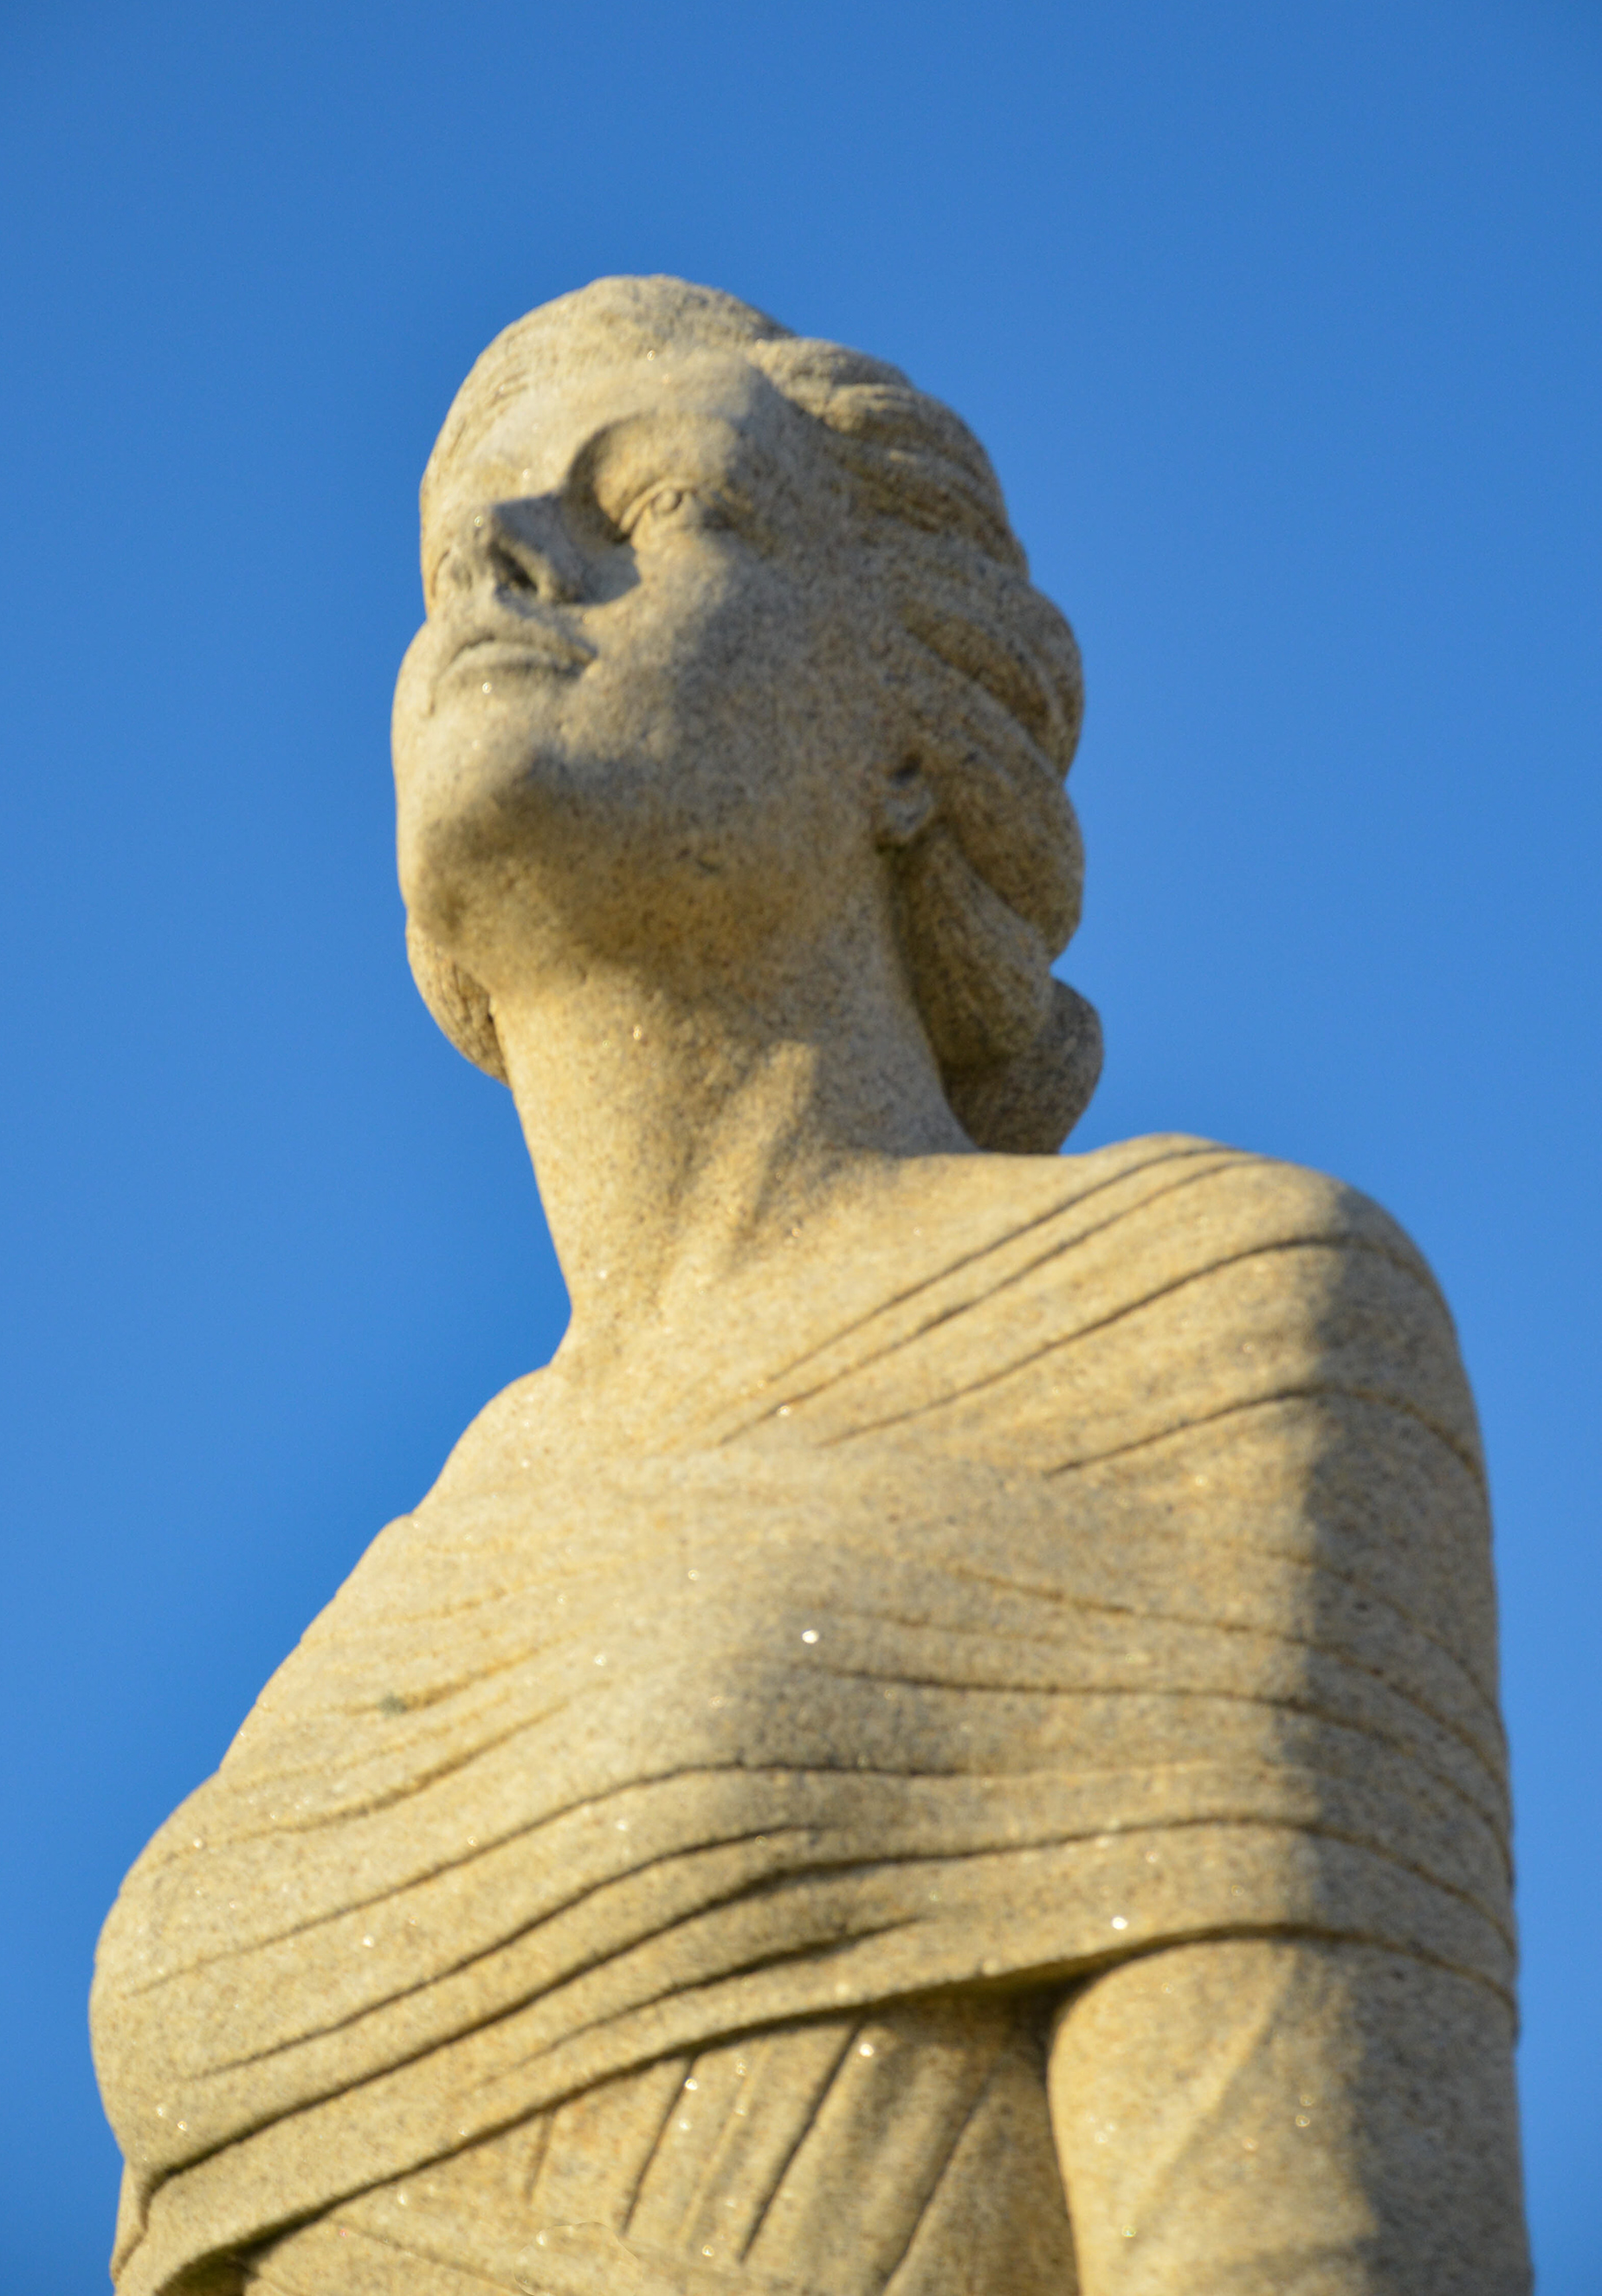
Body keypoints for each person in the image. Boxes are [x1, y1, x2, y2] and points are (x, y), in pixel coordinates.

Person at [93, 277, 1528, 2295]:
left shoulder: (1210, 1316)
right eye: (453, 552)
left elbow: (1305, 2242)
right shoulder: (367, 1620)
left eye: (664, 503)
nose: (510, 555)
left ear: (914, 743)